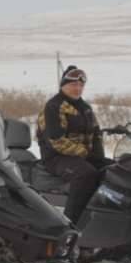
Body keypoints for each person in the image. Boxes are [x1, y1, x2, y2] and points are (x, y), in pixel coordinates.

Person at [37, 66, 110, 225]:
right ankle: (69, 223)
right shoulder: (54, 106)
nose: (78, 89)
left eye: (80, 85)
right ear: (63, 85)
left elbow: (96, 134)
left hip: (81, 156)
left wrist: (99, 158)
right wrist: (84, 153)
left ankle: (102, 220)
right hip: (56, 157)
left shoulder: (85, 108)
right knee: (85, 174)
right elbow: (56, 140)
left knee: (113, 170)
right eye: (73, 85)